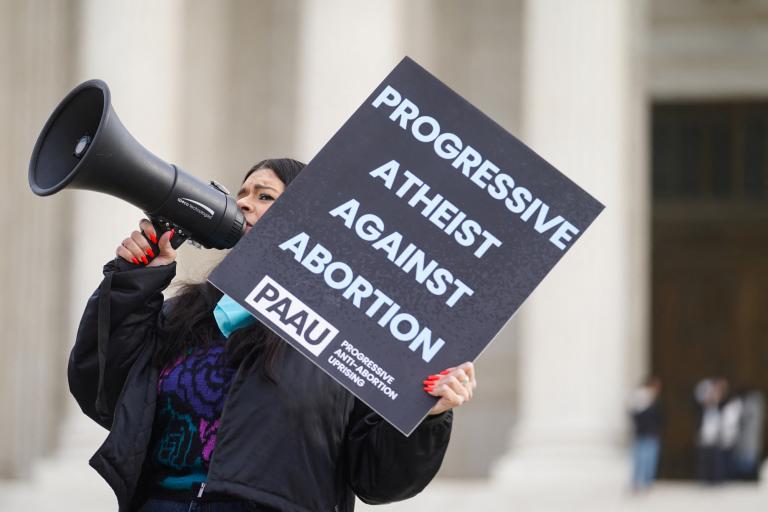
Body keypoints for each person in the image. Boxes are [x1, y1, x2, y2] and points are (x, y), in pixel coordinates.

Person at [68, 158, 478, 512]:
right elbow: (105, 393)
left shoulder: (349, 336)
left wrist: (427, 413)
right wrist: (134, 281)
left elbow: (378, 478)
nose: (243, 202)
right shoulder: (185, 315)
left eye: (265, 196)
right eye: (242, 193)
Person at [628, 376, 663, 492]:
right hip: (644, 434)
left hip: (650, 434)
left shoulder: (655, 402)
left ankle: (646, 483)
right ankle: (638, 483)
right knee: (642, 460)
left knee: (648, 460)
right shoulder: (643, 401)